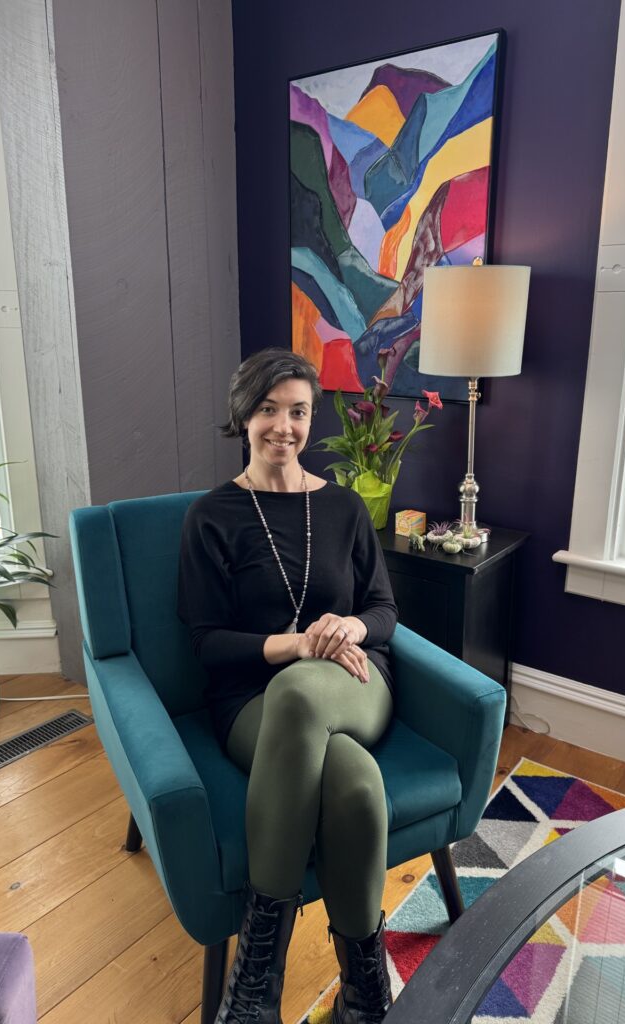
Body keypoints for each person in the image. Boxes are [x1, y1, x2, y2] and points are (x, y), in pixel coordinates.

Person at [177, 348, 398, 1024]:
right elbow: (206, 642)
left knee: (302, 691)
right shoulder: (212, 517)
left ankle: (255, 983)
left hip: (353, 682)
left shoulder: (344, 508)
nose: (284, 426)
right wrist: (296, 645)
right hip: (249, 701)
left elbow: (383, 610)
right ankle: (365, 996)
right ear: (243, 416)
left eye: (298, 411)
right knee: (356, 786)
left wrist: (348, 628)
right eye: (269, 409)